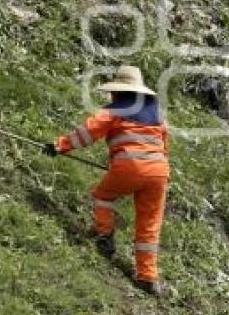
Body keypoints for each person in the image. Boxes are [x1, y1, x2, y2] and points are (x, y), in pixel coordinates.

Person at [45, 66, 170, 296]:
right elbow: (163, 142)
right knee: (150, 224)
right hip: (159, 171)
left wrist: (60, 145)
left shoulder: (113, 111)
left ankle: (104, 236)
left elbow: (87, 132)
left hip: (130, 167)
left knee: (102, 196)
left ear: (118, 92)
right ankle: (148, 277)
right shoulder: (157, 113)